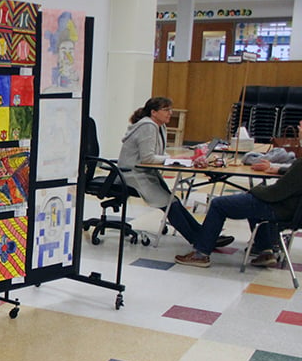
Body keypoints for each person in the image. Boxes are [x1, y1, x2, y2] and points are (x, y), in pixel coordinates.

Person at [175, 121, 302, 268]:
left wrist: (254, 191)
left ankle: (201, 254)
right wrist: (278, 170)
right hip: (292, 210)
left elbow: (275, 192)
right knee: (252, 201)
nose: (298, 129)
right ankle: (265, 251)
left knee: (219, 204)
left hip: (281, 209)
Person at [117, 96, 233, 248]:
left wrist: (175, 158)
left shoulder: (160, 126)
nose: (170, 113)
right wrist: (172, 159)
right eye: (166, 110)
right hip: (132, 174)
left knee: (174, 201)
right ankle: (199, 240)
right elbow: (147, 158)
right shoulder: (147, 126)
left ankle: (204, 235)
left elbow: (157, 155)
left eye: (170, 109)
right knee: (170, 203)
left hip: (146, 173)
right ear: (153, 112)